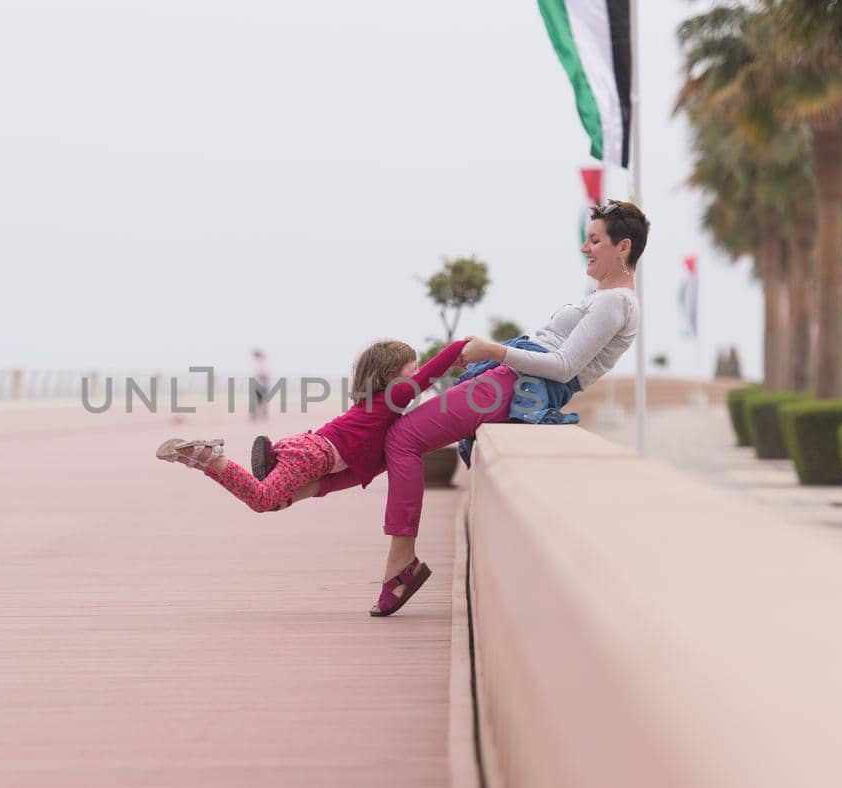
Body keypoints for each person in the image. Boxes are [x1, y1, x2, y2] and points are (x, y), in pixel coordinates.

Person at [370, 200, 649, 612]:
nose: (585, 248)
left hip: (514, 387)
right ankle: (314, 476)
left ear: (623, 247)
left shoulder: (616, 303)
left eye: (594, 241)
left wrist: (493, 351)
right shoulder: (606, 298)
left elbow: (563, 365)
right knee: (395, 434)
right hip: (507, 383)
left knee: (403, 436)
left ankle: (400, 562)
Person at [156, 338, 467, 615]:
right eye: (411, 370)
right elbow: (431, 374)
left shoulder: (377, 412)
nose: (415, 376)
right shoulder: (391, 398)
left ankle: (202, 459)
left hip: (312, 453)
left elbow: (345, 476)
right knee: (262, 499)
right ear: (391, 375)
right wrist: (460, 348)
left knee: (270, 502)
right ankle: (211, 457)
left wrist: (301, 495)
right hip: (312, 454)